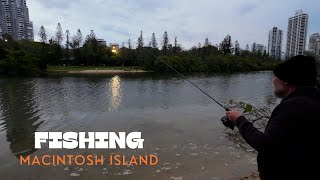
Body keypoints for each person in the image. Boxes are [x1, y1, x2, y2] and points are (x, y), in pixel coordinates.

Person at [226, 55, 320, 180]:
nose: (273, 81)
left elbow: (266, 145)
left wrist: (239, 120)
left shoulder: (294, 107)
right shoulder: (314, 99)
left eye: (275, 76)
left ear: (286, 80)